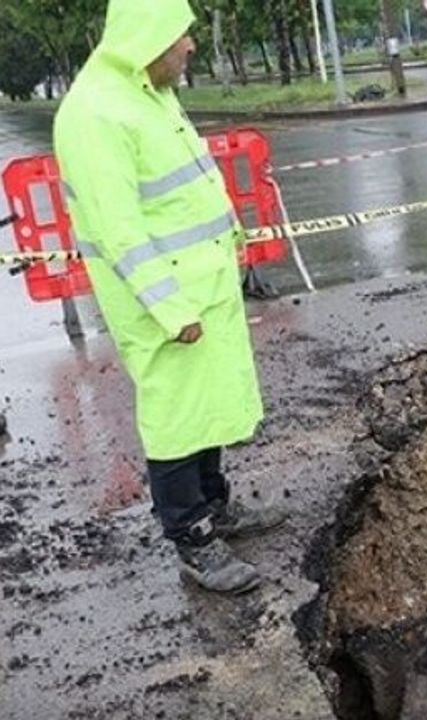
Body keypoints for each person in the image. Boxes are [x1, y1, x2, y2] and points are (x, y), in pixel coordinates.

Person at [54, 0, 285, 594]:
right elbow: (117, 229)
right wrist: (170, 309)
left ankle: (216, 505)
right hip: (168, 302)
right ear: (147, 34)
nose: (190, 47)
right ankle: (192, 538)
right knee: (176, 418)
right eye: (181, 36)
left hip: (202, 287)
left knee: (206, 405)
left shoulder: (149, 92)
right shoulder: (95, 112)